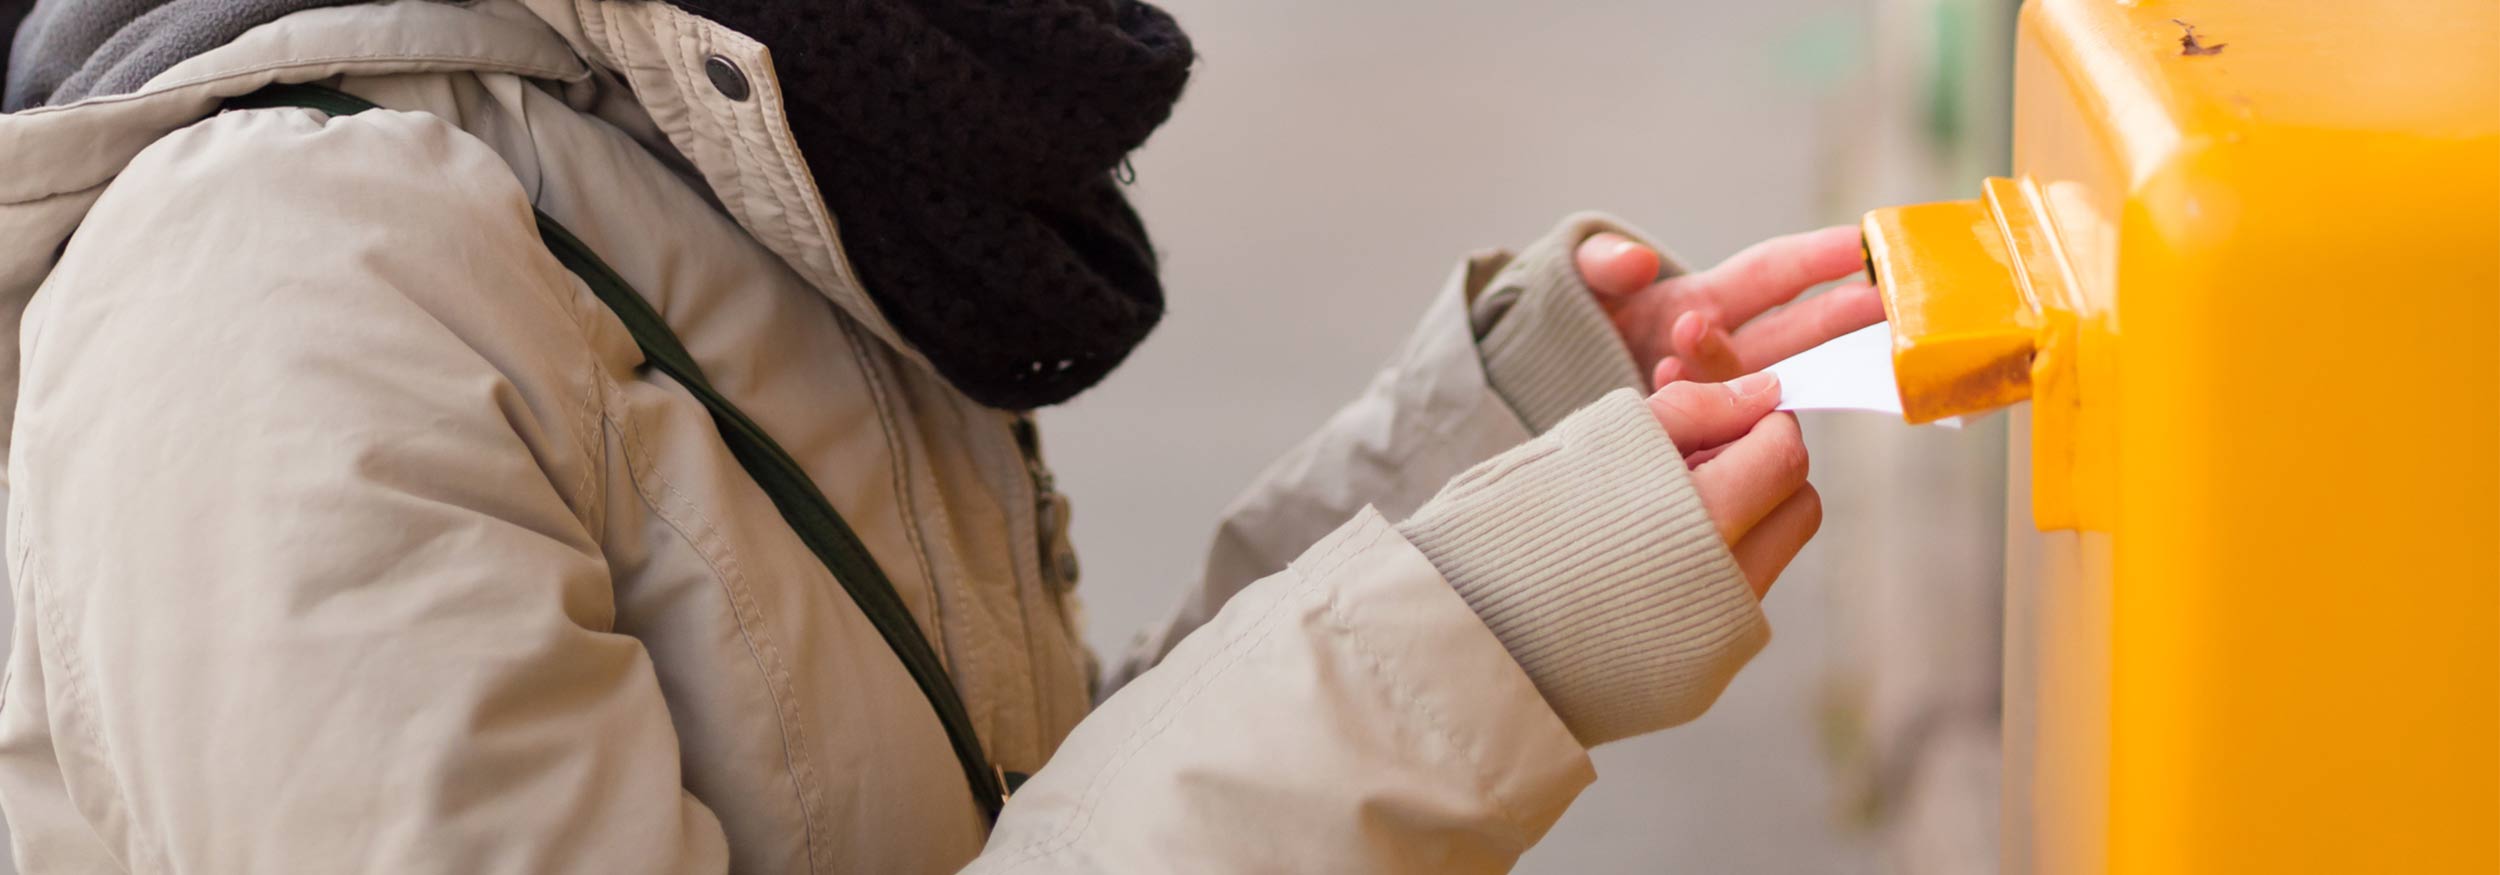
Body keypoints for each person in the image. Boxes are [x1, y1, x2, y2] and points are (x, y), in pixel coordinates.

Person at [0, 0, 1882, 872]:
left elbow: (1003, 815)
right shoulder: (280, 287)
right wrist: (1473, 643)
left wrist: (1486, 450)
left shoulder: (733, 136)